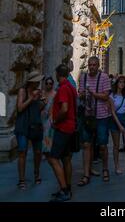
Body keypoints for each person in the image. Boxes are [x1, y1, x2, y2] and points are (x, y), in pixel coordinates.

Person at [78, 56, 111, 185]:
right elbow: (80, 93)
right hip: (87, 116)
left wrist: (93, 93)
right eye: (90, 65)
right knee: (86, 145)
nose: (91, 67)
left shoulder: (104, 77)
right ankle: (86, 174)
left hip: (101, 116)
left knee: (102, 145)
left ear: (98, 66)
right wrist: (81, 94)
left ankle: (105, 169)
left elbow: (106, 96)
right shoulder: (83, 77)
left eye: (94, 65)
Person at [48, 64, 77, 202]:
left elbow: (64, 109)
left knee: (53, 158)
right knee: (66, 158)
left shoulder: (64, 88)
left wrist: (55, 121)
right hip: (70, 127)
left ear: (58, 74)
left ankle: (64, 189)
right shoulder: (71, 87)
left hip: (63, 127)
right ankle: (68, 187)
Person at [14, 70, 44, 189]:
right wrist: (31, 98)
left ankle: (36, 173)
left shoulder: (39, 92)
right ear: (31, 82)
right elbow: (20, 108)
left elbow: (38, 109)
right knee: (22, 152)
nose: (38, 83)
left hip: (36, 125)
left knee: (38, 152)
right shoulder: (23, 91)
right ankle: (22, 180)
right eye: (37, 81)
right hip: (23, 125)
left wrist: (42, 102)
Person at [41, 77, 56, 155]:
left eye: (50, 83)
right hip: (42, 115)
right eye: (47, 83)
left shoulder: (54, 94)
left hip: (50, 116)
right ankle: (44, 149)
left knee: (48, 133)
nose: (48, 85)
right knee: (43, 133)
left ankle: (48, 149)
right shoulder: (42, 93)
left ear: (52, 84)